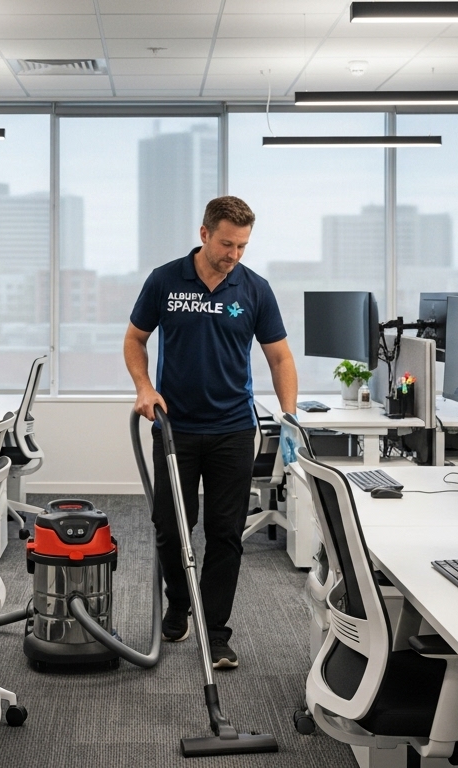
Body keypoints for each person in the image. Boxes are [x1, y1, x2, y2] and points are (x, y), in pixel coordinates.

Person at [123, 195, 298, 670]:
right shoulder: (165, 280)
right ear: (204, 235)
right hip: (174, 428)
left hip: (233, 430)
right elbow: (135, 339)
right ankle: (179, 604)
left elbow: (279, 357)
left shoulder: (254, 289)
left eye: (242, 246)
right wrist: (144, 386)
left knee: (226, 534)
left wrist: (290, 417)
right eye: (226, 244)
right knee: (170, 526)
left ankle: (216, 632)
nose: (234, 255)